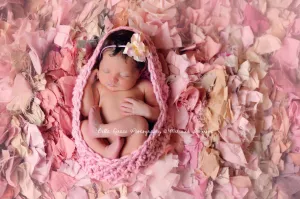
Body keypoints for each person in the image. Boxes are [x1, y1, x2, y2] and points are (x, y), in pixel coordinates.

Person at [80, 30, 160, 159]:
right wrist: (88, 84)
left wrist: (146, 111)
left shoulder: (143, 87)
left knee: (141, 124)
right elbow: (87, 111)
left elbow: (159, 115)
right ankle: (105, 150)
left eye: (124, 75)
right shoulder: (99, 87)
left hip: (131, 144)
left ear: (139, 73)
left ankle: (101, 131)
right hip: (106, 142)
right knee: (84, 126)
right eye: (106, 71)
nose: (112, 80)